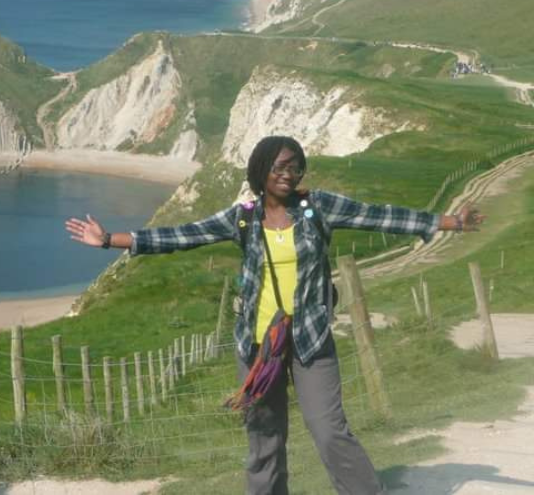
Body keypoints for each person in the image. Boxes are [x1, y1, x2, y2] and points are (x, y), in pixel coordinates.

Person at [64, 135, 485, 494]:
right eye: (281, 166)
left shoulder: (318, 208)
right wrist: (109, 241)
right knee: (264, 437)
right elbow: (182, 235)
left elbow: (382, 216)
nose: (290, 173)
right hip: (257, 345)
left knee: (329, 430)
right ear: (261, 170)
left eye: (296, 166)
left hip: (310, 338)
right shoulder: (242, 218)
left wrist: (451, 222)